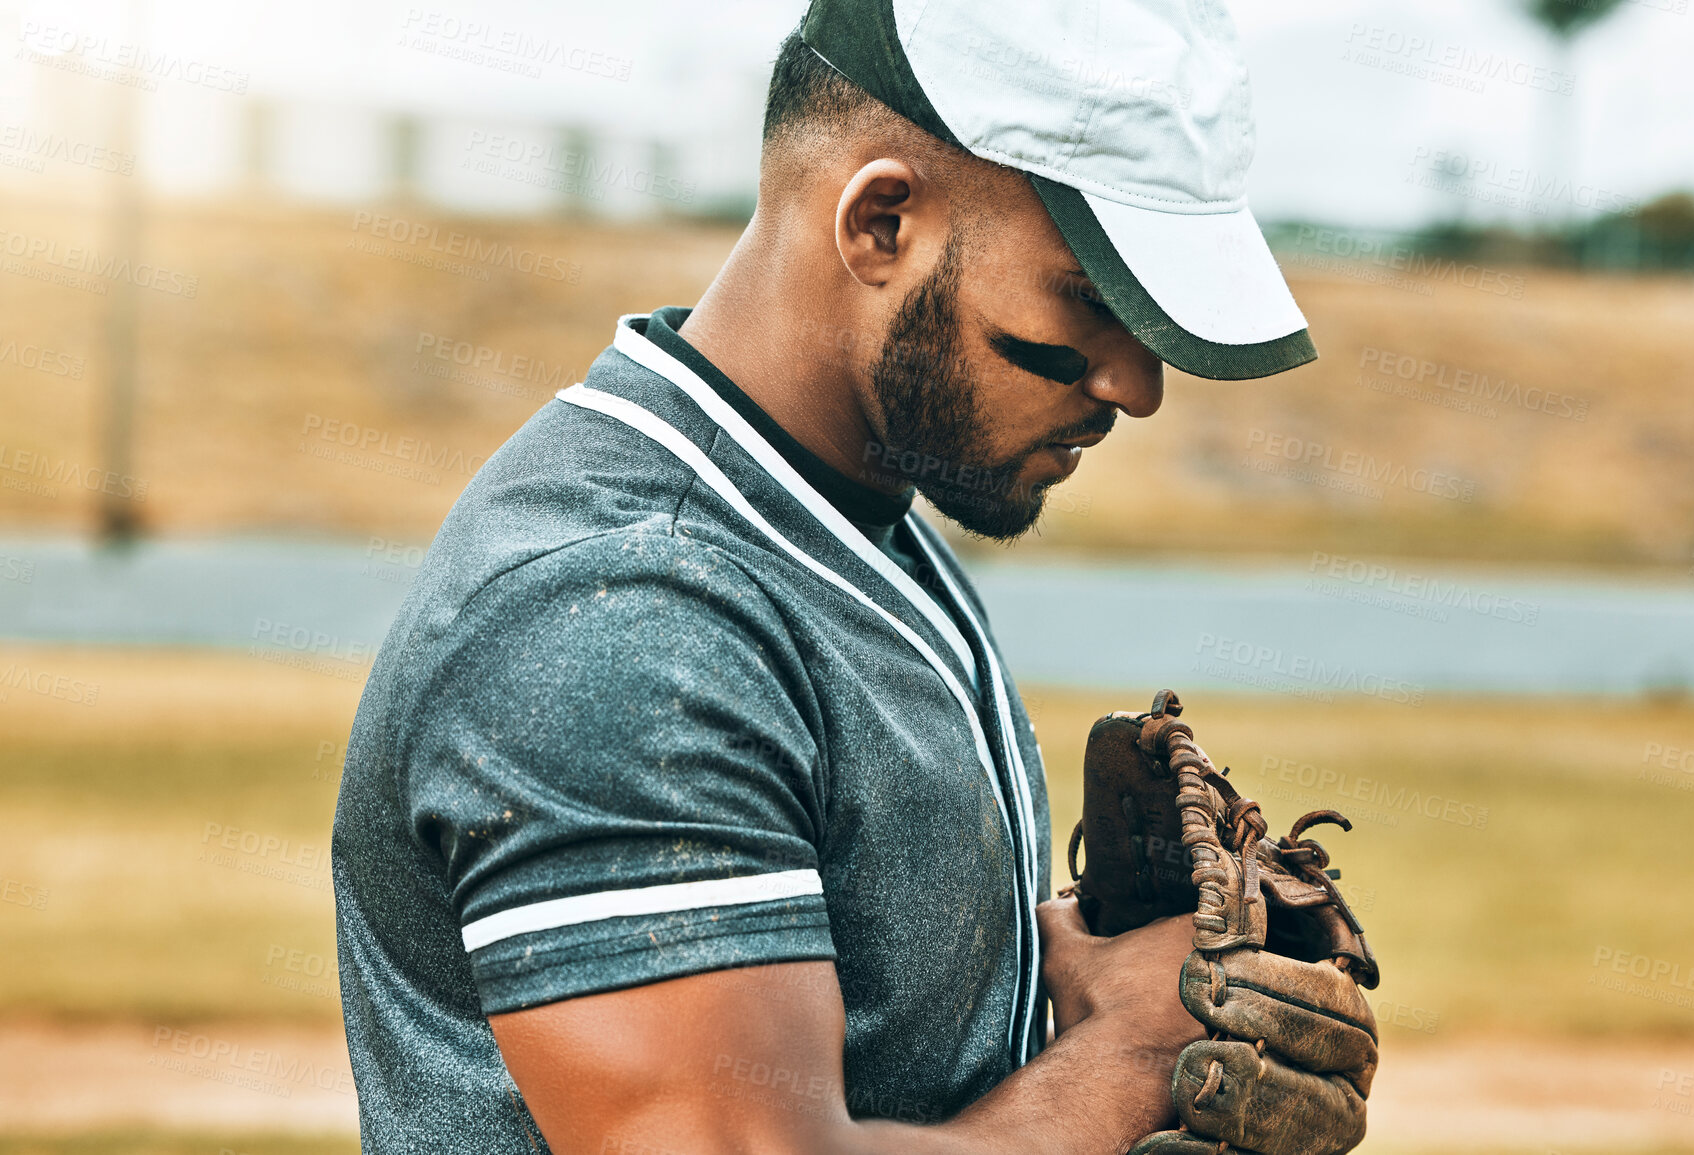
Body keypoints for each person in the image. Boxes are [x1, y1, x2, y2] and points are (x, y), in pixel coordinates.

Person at [331, 1, 1317, 1151]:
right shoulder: (630, 611)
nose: (1137, 387)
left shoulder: (850, 519)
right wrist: (1133, 1056)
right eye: (1094, 300)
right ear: (882, 221)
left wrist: (1078, 965)